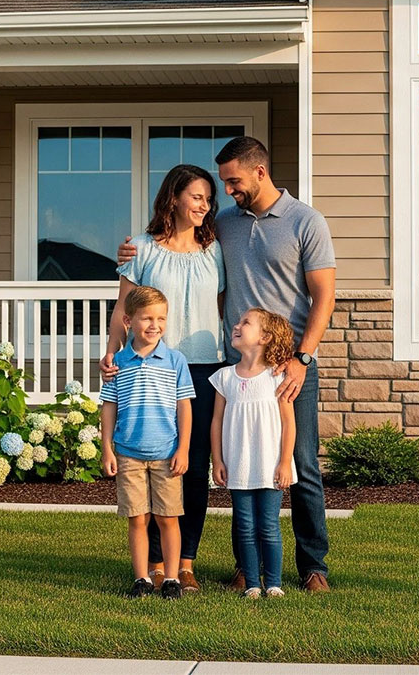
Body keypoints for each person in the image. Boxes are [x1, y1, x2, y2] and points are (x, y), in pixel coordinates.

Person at [113, 136, 337, 593]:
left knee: (302, 465)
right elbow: (149, 292)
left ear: (258, 171)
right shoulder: (225, 228)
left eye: (231, 183)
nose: (225, 194)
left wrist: (301, 358)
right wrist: (129, 259)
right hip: (233, 368)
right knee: (238, 462)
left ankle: (313, 567)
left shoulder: (305, 221)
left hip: (288, 365)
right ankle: (243, 565)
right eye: (215, 188)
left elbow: (324, 297)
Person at [102, 164, 225, 594]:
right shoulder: (140, 249)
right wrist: (112, 350)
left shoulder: (215, 250)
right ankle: (153, 563)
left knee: (190, 466)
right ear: (173, 197)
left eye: (209, 199)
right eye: (196, 197)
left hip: (206, 366)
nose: (204, 206)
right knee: (148, 459)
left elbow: (222, 305)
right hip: (150, 367)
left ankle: (184, 563)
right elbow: (122, 309)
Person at [99, 286, 194, 600]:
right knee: (137, 518)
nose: (155, 325)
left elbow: (184, 407)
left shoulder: (175, 361)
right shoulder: (118, 363)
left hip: (167, 453)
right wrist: (107, 449)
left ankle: (170, 578)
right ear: (128, 320)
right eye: (147, 318)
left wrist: (183, 449)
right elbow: (109, 406)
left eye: (161, 319)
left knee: (168, 517)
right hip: (128, 455)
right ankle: (141, 578)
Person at [210, 308, 297, 599]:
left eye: (245, 322)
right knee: (245, 526)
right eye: (238, 321)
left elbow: (288, 422)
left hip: (271, 464)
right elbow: (217, 421)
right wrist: (218, 460)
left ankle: (273, 583)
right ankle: (251, 584)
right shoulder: (224, 378)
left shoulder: (277, 377)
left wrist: (285, 462)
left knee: (269, 526)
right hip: (238, 464)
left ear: (265, 337)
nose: (236, 325)